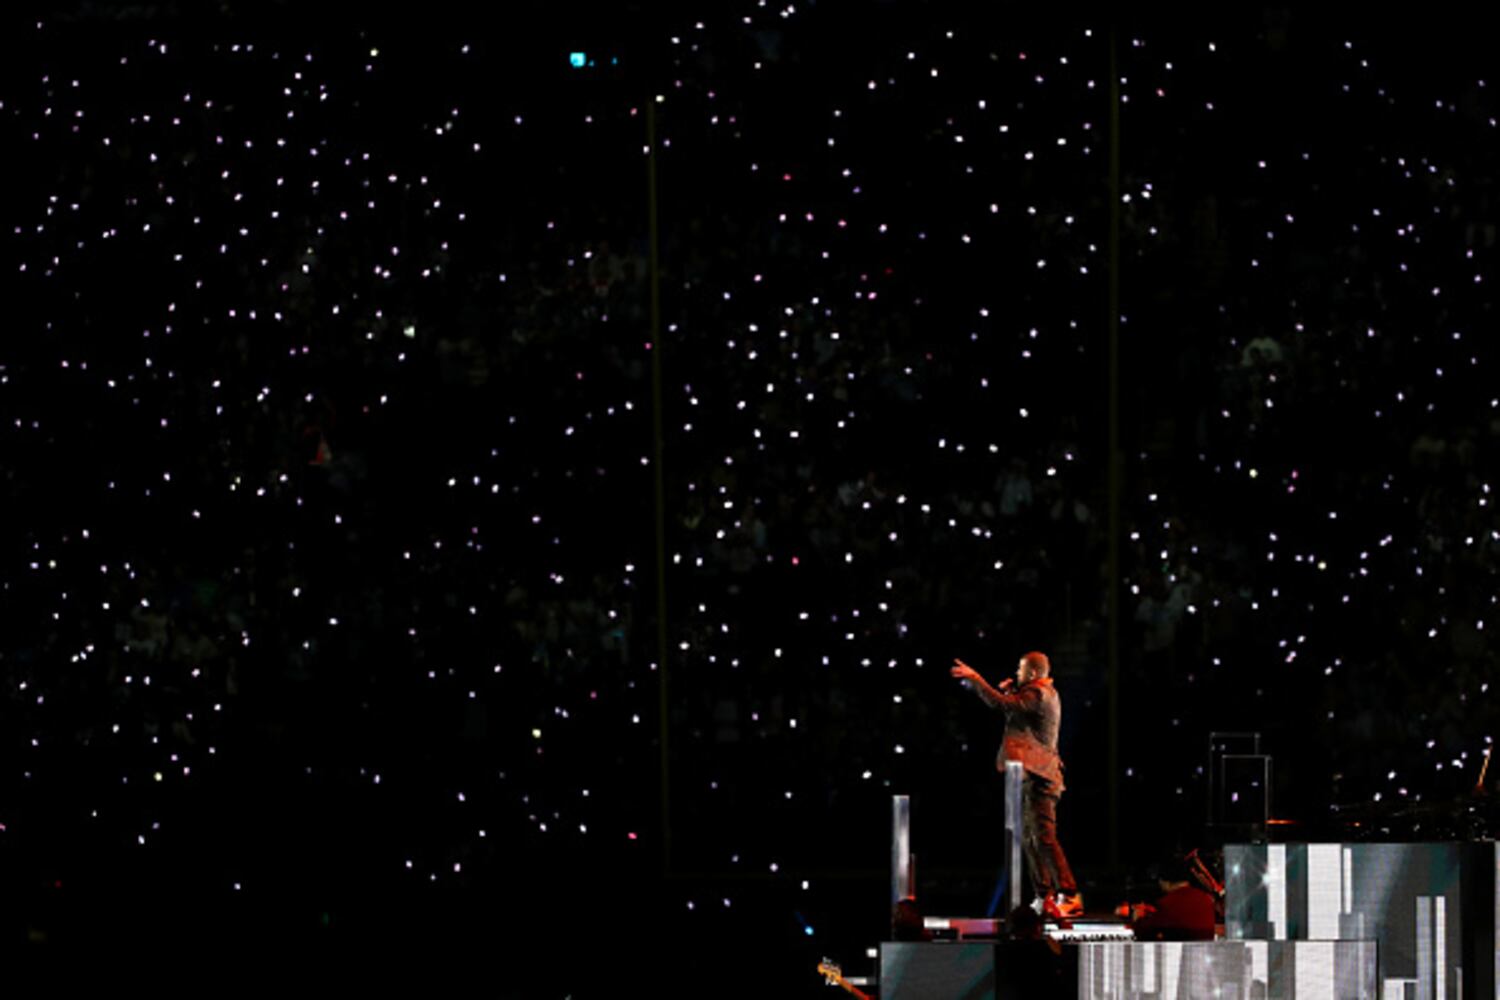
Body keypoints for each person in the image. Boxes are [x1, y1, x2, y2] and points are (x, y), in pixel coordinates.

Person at [951, 652, 1082, 919]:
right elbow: (1020, 714)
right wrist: (1012, 689)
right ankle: (1044, 895)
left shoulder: (1039, 694)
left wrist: (976, 679)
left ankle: (1069, 894)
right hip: (1030, 775)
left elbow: (1001, 704)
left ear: (1033, 673)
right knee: (1031, 838)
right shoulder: (1036, 693)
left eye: (1021, 670)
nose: (1017, 673)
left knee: (1044, 837)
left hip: (1042, 776)